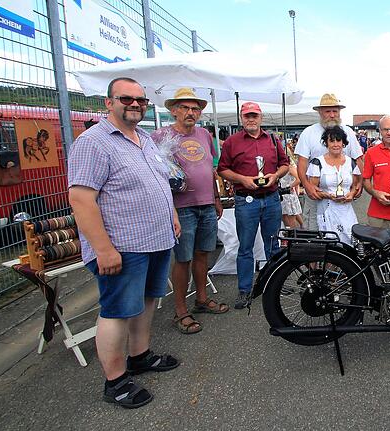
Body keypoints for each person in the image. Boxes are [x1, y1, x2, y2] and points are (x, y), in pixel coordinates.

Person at [68, 77, 180, 409]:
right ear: (109, 102)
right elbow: (81, 199)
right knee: (116, 311)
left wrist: (171, 214)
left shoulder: (144, 137)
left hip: (156, 239)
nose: (135, 104)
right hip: (122, 246)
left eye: (141, 100)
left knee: (146, 301)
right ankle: (115, 382)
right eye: (126, 99)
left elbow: (161, 181)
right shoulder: (94, 142)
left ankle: (140, 356)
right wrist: (103, 249)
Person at [152, 87, 228, 335]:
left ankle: (202, 299)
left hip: (206, 205)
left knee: (203, 254)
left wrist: (216, 197)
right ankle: (181, 310)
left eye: (195, 108)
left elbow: (211, 168)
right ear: (173, 110)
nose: (190, 112)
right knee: (183, 259)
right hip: (181, 207)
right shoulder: (160, 136)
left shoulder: (205, 134)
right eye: (184, 107)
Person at [218, 101, 289, 310]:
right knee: (246, 247)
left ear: (261, 118)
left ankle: (276, 283)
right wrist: (241, 179)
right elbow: (222, 169)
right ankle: (244, 290)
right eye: (247, 116)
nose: (251, 119)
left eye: (254, 115)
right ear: (241, 118)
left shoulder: (274, 140)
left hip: (271, 198)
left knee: (273, 244)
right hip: (245, 199)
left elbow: (285, 165)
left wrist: (275, 175)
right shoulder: (232, 142)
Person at [295, 94, 363, 231]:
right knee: (315, 234)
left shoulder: (348, 132)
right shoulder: (309, 133)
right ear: (320, 112)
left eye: (335, 111)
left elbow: (359, 160)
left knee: (345, 235)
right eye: (328, 111)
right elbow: (301, 164)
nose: (332, 115)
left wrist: (358, 185)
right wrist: (307, 186)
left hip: (343, 197)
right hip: (316, 195)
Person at [306, 127, 361, 243]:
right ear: (326, 143)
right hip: (327, 210)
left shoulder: (351, 162)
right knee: (331, 247)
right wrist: (328, 195)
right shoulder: (317, 163)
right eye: (332, 141)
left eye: (338, 140)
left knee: (349, 246)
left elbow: (355, 186)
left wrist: (351, 194)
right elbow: (313, 189)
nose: (335, 144)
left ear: (343, 143)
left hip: (347, 211)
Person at [280, 137, 303, 229]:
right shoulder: (279, 166)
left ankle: (294, 235)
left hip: (289, 195)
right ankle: (300, 227)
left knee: (291, 218)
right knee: (286, 217)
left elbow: (298, 179)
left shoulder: (289, 166)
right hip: (282, 195)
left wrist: (289, 187)